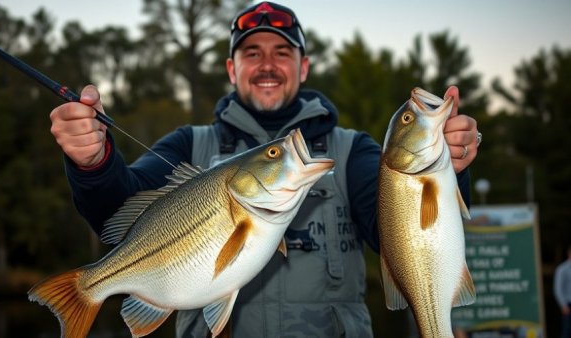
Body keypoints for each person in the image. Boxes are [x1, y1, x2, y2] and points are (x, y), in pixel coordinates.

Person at [49, 2, 481, 336]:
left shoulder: (354, 151)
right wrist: (93, 162)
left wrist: (446, 171)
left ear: (304, 66)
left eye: (282, 52)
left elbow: (401, 237)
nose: (267, 65)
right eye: (252, 52)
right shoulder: (187, 144)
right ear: (232, 69)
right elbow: (117, 211)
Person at [555, 245, 571, 338]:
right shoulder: (562, 269)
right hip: (568, 304)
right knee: (567, 331)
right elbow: (558, 289)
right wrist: (563, 305)